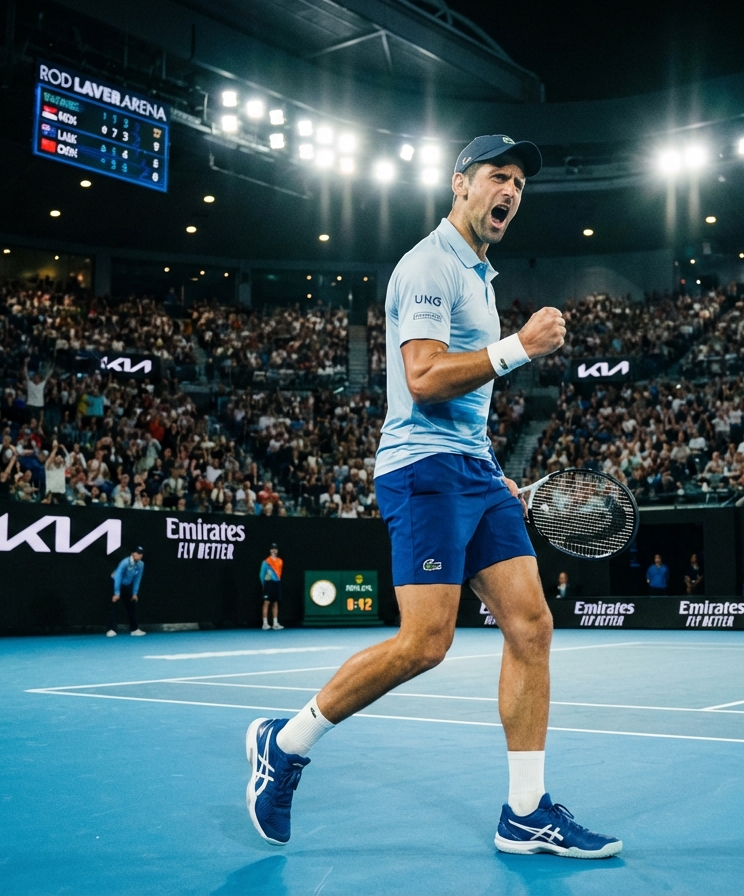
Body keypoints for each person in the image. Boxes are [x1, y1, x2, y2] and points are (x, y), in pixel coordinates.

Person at [244, 135, 621, 859]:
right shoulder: (427, 265)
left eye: (518, 181)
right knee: (426, 643)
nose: (509, 190)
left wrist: (486, 466)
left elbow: (461, 397)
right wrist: (519, 347)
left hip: (472, 470)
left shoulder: (478, 276)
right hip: (421, 471)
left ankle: (525, 812)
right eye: (496, 177)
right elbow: (420, 378)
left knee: (532, 625)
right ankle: (284, 745)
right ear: (460, 185)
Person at [108, 546, 146, 637]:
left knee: (132, 605)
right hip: (116, 582)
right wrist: (117, 593)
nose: (139, 555)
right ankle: (111, 629)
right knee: (114, 606)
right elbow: (118, 577)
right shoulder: (125, 562)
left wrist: (135, 593)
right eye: (137, 553)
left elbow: (137, 579)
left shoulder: (141, 564)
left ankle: (134, 629)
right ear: (133, 554)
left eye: (140, 554)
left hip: (127, 585)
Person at [259, 544, 284, 630]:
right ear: (270, 551)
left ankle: (275, 623)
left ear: (277, 551)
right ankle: (265, 623)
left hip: (277, 583)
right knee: (266, 602)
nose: (274, 550)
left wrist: (277, 581)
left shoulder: (280, 561)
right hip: (268, 583)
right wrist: (263, 584)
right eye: (272, 549)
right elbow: (261, 574)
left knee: (275, 603)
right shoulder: (266, 562)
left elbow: (279, 573)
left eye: (275, 549)